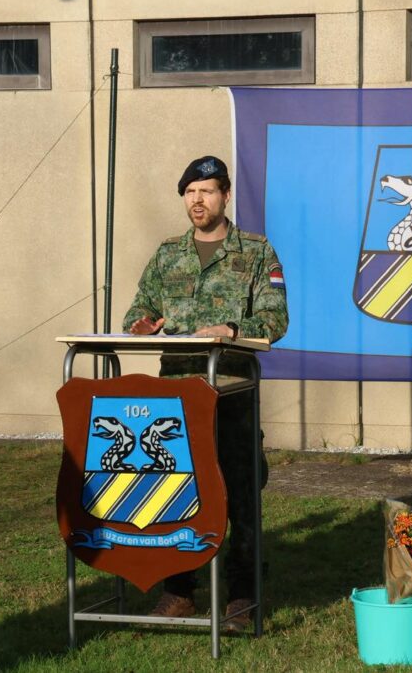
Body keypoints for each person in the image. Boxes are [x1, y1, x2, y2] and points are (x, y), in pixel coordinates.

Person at [123, 155, 288, 632]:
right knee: (176, 492)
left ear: (225, 196)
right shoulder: (167, 254)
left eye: (207, 191)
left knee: (240, 495)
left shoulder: (255, 251)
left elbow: (276, 318)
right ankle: (178, 592)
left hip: (232, 391)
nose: (198, 201)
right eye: (191, 193)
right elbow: (139, 307)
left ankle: (242, 596)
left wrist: (232, 328)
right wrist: (141, 324)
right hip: (177, 397)